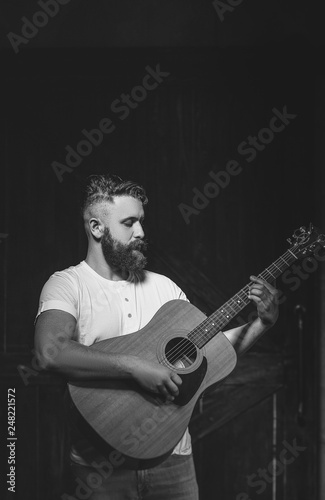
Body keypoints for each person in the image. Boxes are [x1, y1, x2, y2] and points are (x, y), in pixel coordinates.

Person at [34, 174, 279, 500]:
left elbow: (212, 354)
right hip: (100, 469)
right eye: (129, 223)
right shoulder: (67, 284)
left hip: (174, 462)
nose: (141, 233)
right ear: (97, 228)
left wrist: (262, 323)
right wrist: (134, 367)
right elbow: (49, 353)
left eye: (141, 222)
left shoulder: (166, 288)